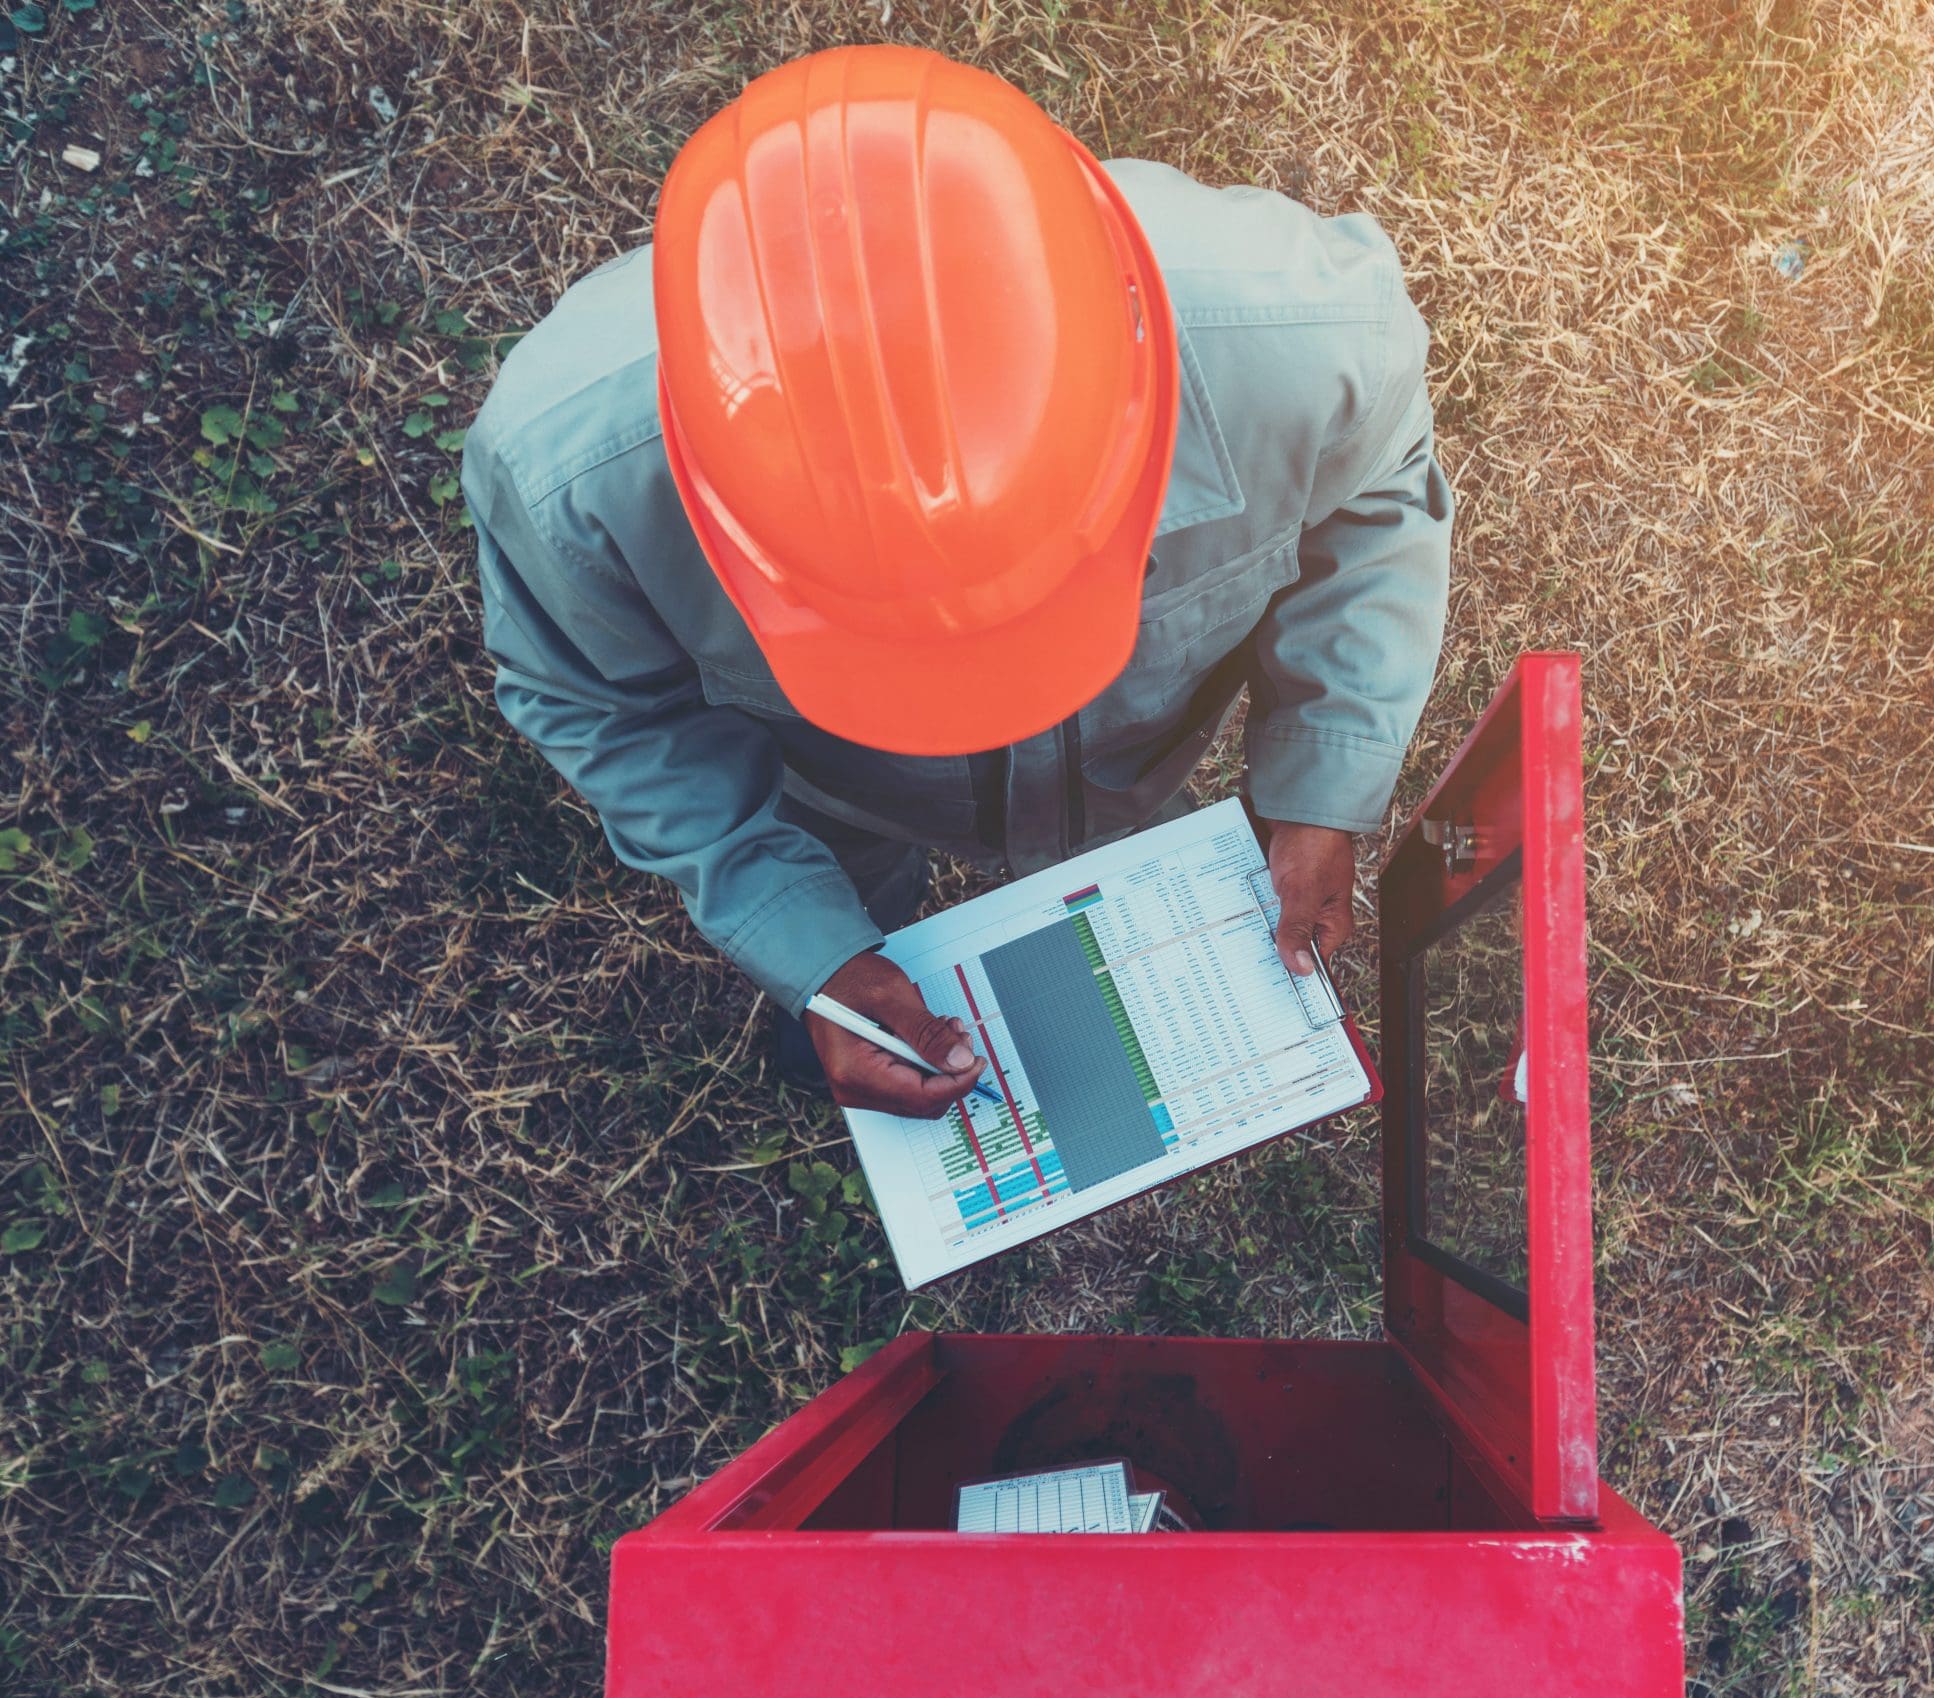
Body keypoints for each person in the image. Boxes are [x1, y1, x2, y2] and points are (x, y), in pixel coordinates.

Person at [461, 45, 1450, 1119]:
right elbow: (599, 705)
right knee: (854, 902)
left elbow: (1379, 498)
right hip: (838, 794)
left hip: (1126, 774)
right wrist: (811, 946)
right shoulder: (569, 477)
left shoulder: (1307, 340)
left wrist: (1321, 781)